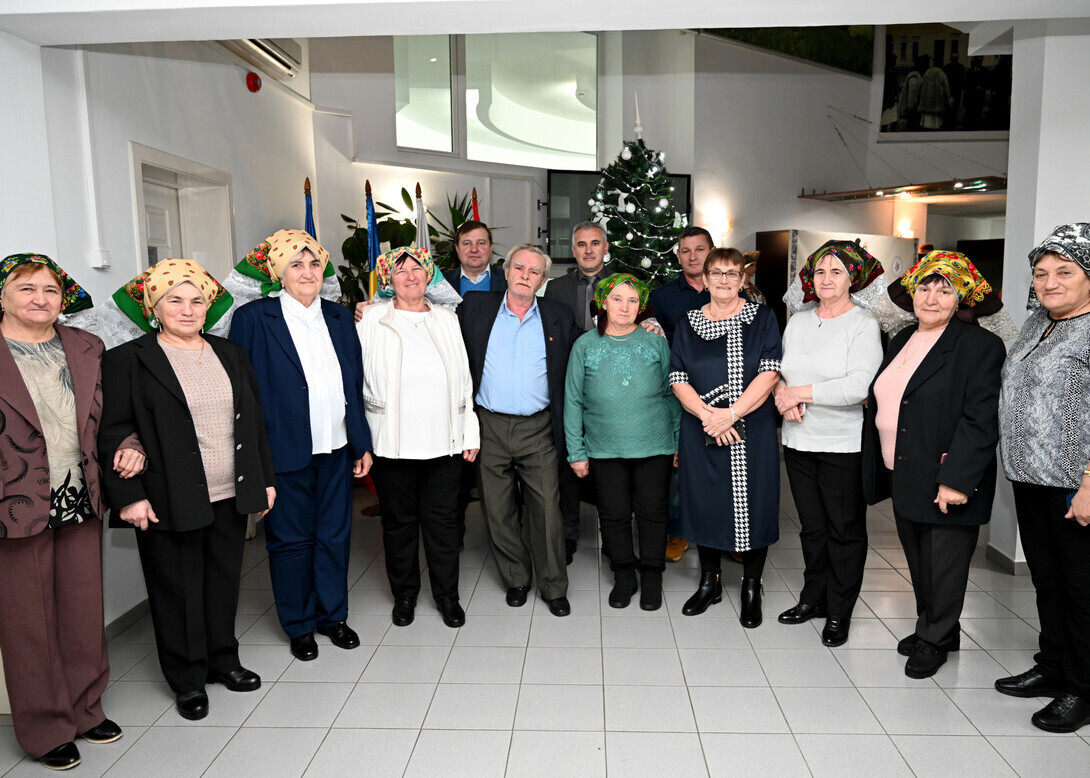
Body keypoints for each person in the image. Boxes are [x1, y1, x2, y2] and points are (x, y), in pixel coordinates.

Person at [100, 259, 275, 722]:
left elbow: (253, 421)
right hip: (166, 496)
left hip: (230, 491)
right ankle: (188, 679)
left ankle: (223, 660)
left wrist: (265, 479)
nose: (187, 309)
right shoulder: (127, 360)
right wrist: (129, 496)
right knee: (176, 590)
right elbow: (112, 430)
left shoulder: (230, 353)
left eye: (197, 300)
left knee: (223, 582)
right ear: (153, 308)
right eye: (174, 300)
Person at [0, 254, 143, 770]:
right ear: (2, 296)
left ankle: (86, 709)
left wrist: (130, 443)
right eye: (26, 288)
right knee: (28, 622)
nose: (40, 298)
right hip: (14, 501)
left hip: (81, 493)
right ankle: (45, 728)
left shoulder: (86, 345)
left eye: (50, 290)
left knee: (83, 610)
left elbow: (113, 414)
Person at [229, 230, 373, 662]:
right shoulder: (254, 318)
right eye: (296, 264)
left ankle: (332, 617)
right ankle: (300, 625)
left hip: (337, 447)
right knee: (290, 542)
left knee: (334, 536)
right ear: (279, 272)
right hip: (283, 450)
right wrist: (254, 460)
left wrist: (361, 443)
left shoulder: (339, 316)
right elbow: (242, 394)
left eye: (314, 264)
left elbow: (353, 382)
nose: (307, 273)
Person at [862, 250, 1005, 679]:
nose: (931, 298)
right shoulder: (903, 338)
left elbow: (980, 420)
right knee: (920, 560)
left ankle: (936, 638)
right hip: (904, 468)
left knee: (944, 564)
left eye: (945, 291)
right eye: (924, 287)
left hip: (945, 474)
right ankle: (936, 626)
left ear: (962, 298)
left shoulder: (980, 346)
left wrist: (956, 480)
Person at [995, 223, 1090, 733]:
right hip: (1030, 476)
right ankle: (1052, 666)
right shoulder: (1038, 323)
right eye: (1041, 273)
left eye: (1065, 271)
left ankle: (1081, 688)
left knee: (1081, 589)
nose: (1050, 282)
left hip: (1076, 483)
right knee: (1048, 581)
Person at [357, 247, 479, 629]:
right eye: (401, 271)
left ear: (429, 276)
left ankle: (447, 597)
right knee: (399, 524)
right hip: (392, 443)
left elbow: (464, 378)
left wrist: (470, 432)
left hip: (445, 441)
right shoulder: (370, 318)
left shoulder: (447, 319)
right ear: (388, 280)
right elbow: (355, 376)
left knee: (443, 524)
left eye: (417, 269)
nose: (410, 276)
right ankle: (405, 594)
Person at [459, 244, 579, 617]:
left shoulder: (559, 315)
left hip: (539, 427)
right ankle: (516, 579)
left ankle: (553, 586)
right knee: (497, 509)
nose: (526, 275)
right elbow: (427, 316)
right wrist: (373, 307)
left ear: (542, 280)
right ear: (507, 271)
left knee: (546, 509)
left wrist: (649, 325)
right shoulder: (474, 307)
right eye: (520, 267)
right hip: (489, 424)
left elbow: (586, 353)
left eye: (534, 271)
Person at [775, 241, 884, 646]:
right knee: (812, 529)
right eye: (820, 271)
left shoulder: (863, 324)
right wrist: (782, 394)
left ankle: (839, 611)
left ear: (852, 279)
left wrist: (798, 393)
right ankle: (813, 598)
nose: (826, 279)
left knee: (844, 532)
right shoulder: (799, 321)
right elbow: (781, 372)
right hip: (798, 441)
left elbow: (858, 387)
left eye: (836, 271)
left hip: (843, 445)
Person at [670, 247, 782, 627]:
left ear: (742, 279)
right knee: (705, 501)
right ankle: (710, 582)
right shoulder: (688, 322)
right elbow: (678, 377)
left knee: (756, 502)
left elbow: (769, 372)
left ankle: (752, 585)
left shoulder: (762, 318)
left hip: (753, 427)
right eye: (716, 273)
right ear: (704, 279)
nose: (723, 280)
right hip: (701, 426)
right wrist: (709, 417)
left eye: (731, 273)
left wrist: (731, 414)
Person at [564, 273, 679, 610]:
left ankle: (653, 574)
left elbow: (673, 393)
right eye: (617, 299)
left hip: (654, 444)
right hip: (604, 446)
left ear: (640, 307)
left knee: (652, 513)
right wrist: (576, 451)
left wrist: (677, 441)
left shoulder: (655, 341)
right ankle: (624, 572)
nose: (625, 307)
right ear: (603, 303)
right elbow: (572, 400)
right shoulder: (584, 345)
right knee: (613, 514)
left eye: (632, 301)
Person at [544, 221, 612, 562]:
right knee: (568, 461)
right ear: (573, 250)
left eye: (594, 243)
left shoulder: (624, 284)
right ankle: (568, 534)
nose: (588, 250)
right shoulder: (555, 288)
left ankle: (613, 537)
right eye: (581, 244)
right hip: (567, 390)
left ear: (605, 248)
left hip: (612, 390)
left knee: (610, 466)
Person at [648, 226, 714, 563]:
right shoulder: (662, 297)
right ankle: (677, 530)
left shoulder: (728, 291)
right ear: (677, 256)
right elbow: (654, 343)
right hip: (678, 390)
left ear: (711, 251)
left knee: (721, 461)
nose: (692, 256)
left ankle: (724, 531)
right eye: (685, 251)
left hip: (723, 391)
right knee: (677, 463)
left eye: (699, 249)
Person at [442, 220, 507, 296]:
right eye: (467, 243)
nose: (474, 249)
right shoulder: (443, 282)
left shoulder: (508, 280)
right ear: (457, 249)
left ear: (491, 247)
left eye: (481, 243)